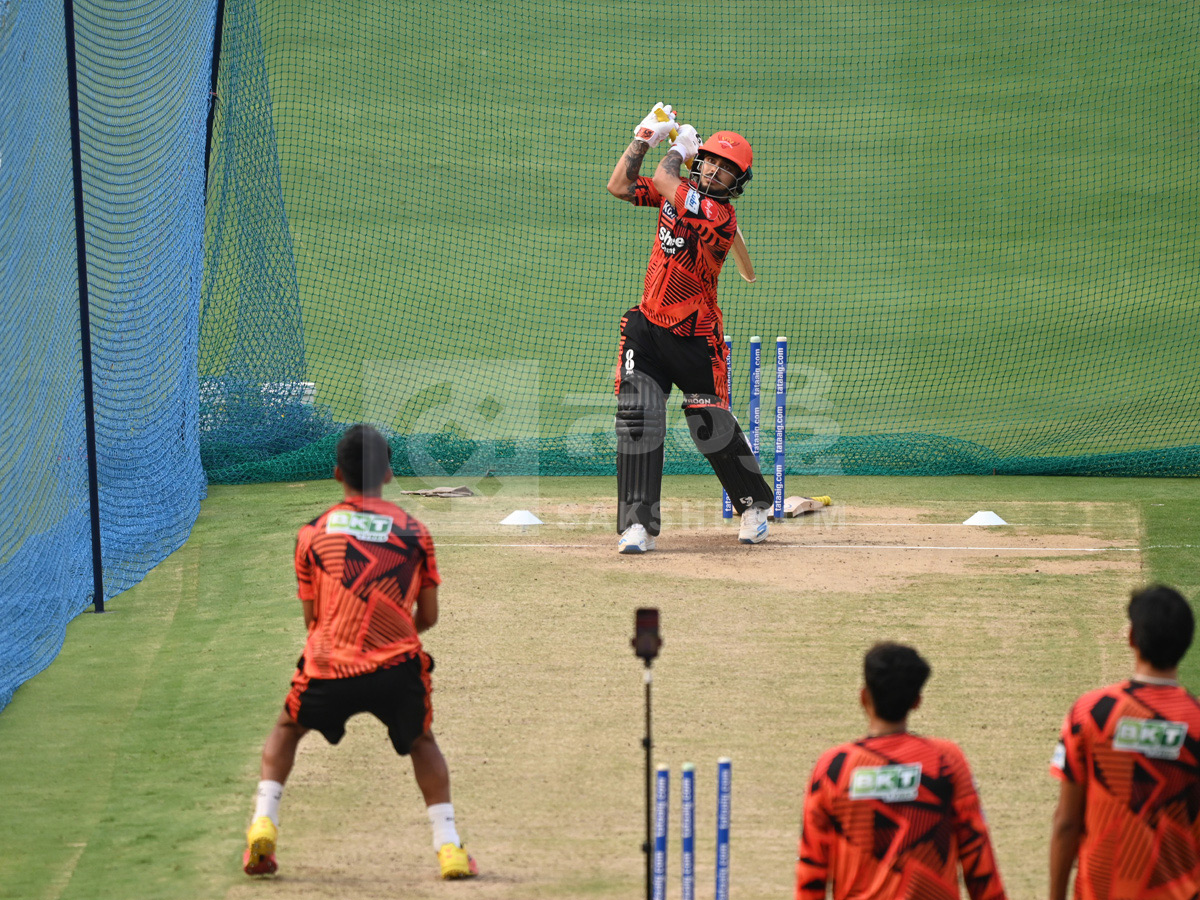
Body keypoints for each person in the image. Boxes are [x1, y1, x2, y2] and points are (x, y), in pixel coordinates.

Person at [241, 424, 477, 880]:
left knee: (287, 729)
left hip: (329, 666)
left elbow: (312, 620)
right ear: (388, 474)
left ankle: (262, 823)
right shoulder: (415, 532)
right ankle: (448, 847)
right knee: (422, 741)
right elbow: (427, 616)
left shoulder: (311, 535)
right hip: (396, 666)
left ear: (336, 474)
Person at [606, 102, 774, 554]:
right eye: (712, 161)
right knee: (637, 417)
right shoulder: (675, 192)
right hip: (648, 325)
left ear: (736, 185)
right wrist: (642, 139)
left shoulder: (719, 218)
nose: (715, 172)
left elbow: (664, 180)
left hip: (696, 336)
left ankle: (754, 507)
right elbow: (619, 185)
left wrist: (676, 147)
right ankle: (637, 526)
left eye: (726, 169)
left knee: (709, 425)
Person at [795, 643, 1006, 900]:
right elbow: (978, 858)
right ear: (917, 702)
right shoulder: (946, 761)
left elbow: (811, 869)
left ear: (864, 697)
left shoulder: (833, 768)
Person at [1049, 585, 1200, 900]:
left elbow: (1066, 822)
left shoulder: (1090, 713)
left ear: (1132, 638)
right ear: (1187, 642)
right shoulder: (1196, 722)